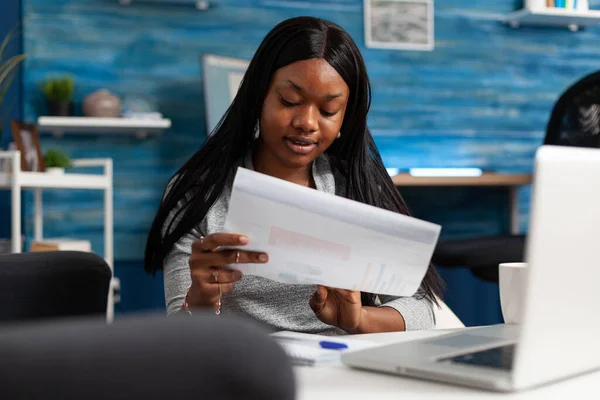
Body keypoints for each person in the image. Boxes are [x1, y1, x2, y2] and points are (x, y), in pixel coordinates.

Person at [145, 16, 444, 335]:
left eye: (328, 111)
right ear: (259, 96)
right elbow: (179, 335)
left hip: (340, 369)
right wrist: (201, 300)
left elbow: (423, 308)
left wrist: (357, 319)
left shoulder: (354, 186)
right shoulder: (199, 191)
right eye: (290, 101)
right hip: (243, 368)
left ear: (345, 117)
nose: (307, 122)